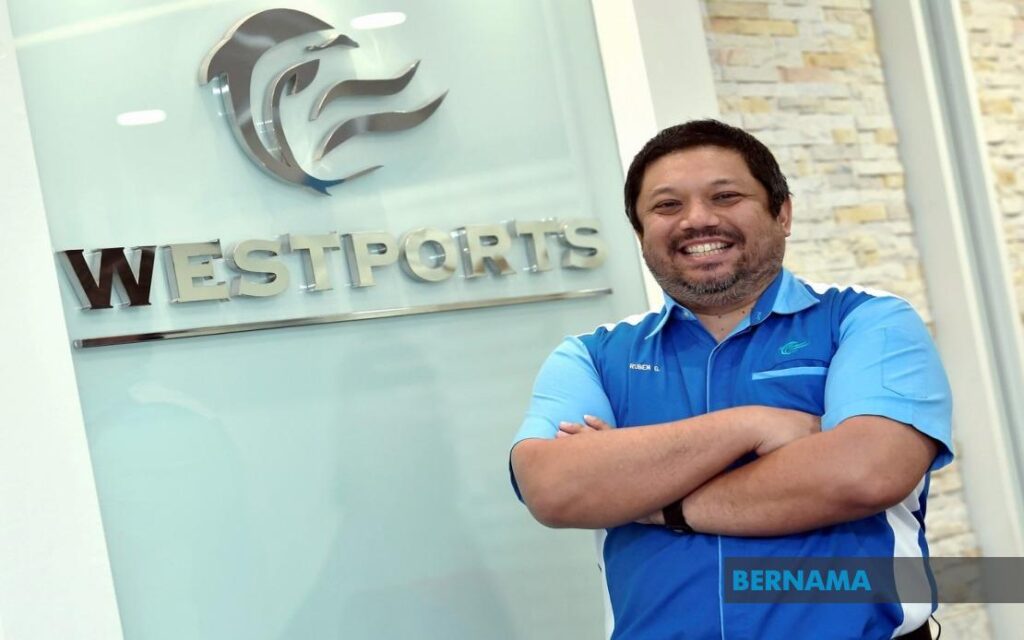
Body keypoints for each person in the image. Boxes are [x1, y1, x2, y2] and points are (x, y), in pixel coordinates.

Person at [509, 120, 952, 639]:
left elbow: (865, 472)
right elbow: (555, 488)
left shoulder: (866, 321)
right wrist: (751, 425)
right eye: (667, 206)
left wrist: (659, 501)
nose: (697, 220)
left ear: (782, 212)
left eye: (725, 196)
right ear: (640, 233)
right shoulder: (593, 355)